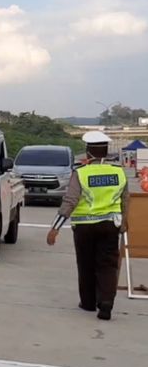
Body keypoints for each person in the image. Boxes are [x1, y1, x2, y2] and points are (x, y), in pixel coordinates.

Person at [46, 131, 129, 320]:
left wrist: (55, 228)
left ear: (88, 152)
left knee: (86, 264)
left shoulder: (81, 173)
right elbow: (125, 199)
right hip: (110, 226)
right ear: (106, 151)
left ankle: (89, 303)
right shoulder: (118, 171)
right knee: (108, 265)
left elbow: (70, 201)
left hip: (84, 228)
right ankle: (106, 303)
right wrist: (124, 222)